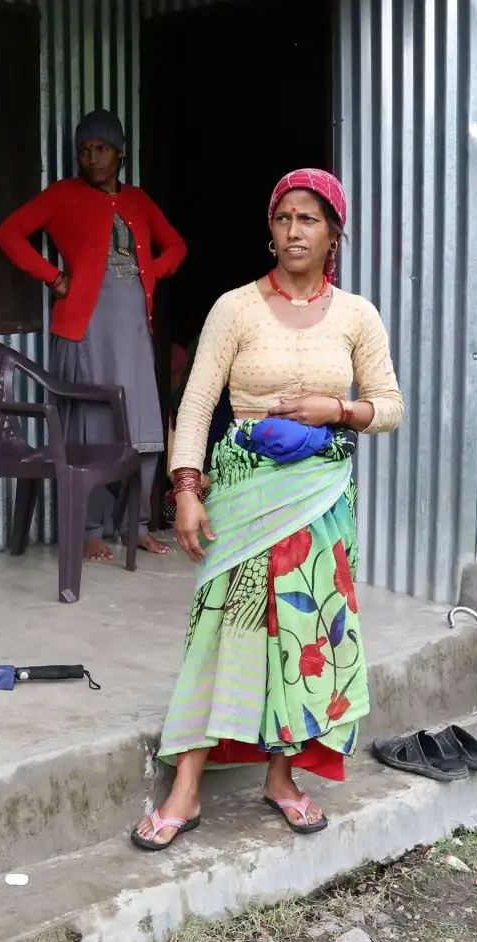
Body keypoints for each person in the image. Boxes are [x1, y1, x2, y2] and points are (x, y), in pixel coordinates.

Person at [131, 169, 403, 851]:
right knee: (223, 630)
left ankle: (281, 779)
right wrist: (186, 489)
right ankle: (186, 789)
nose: (293, 232)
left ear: (334, 232)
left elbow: (390, 407)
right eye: (283, 219)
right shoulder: (235, 308)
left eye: (308, 220)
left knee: (303, 639)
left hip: (319, 497)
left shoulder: (356, 316)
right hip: (245, 493)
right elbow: (195, 405)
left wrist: (333, 410)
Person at [0, 110, 187, 562]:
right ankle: (89, 529)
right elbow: (9, 233)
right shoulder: (64, 196)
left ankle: (136, 526)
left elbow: (176, 245)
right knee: (93, 427)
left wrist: (150, 274)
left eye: (101, 148)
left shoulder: (138, 201)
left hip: (135, 334)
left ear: (120, 152)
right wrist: (53, 278)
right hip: (85, 331)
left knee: (144, 428)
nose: (92, 157)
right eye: (85, 150)